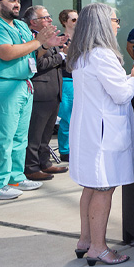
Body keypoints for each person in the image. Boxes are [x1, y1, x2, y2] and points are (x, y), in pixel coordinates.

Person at [67, 3, 134, 265]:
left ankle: (85, 240)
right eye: (115, 19)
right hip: (104, 132)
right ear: (102, 24)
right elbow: (120, 94)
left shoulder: (82, 54)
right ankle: (99, 247)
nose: (118, 24)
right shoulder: (103, 55)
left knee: (91, 186)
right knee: (104, 188)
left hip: (90, 129)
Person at [0, 0, 65, 200]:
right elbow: (7, 53)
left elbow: (33, 52)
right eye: (11, 1)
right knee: (2, 138)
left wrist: (46, 45)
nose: (17, 4)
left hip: (23, 84)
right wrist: (39, 42)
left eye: (18, 0)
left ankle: (15, 177)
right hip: (2, 86)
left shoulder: (19, 25)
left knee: (20, 137)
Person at [23, 5, 69, 179]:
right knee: (34, 134)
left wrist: (64, 54)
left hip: (54, 91)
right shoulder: (31, 38)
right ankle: (31, 167)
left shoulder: (50, 38)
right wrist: (61, 56)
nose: (50, 20)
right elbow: (37, 64)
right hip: (40, 92)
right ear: (34, 22)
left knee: (46, 133)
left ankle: (45, 163)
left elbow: (56, 62)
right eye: (46, 17)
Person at [57, 9, 78, 162]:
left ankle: (77, 148)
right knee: (67, 117)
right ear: (65, 21)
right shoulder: (58, 39)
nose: (77, 23)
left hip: (80, 80)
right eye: (73, 20)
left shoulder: (82, 38)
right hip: (66, 80)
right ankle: (65, 150)